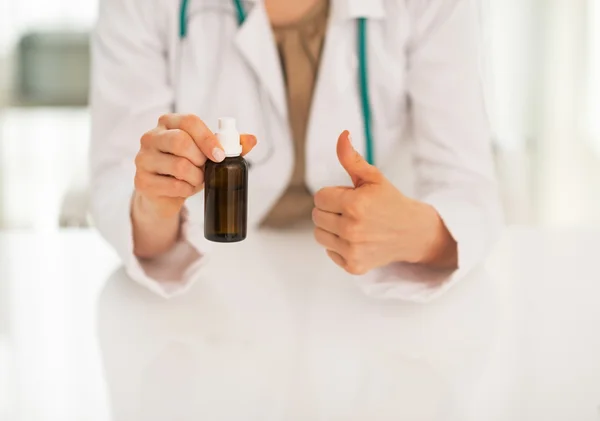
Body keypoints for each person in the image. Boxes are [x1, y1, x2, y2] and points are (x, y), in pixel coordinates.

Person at [90, 0, 502, 302]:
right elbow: (117, 191)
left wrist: (418, 234)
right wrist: (156, 205)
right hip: (214, 290)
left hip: (374, 292)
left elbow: (467, 185)